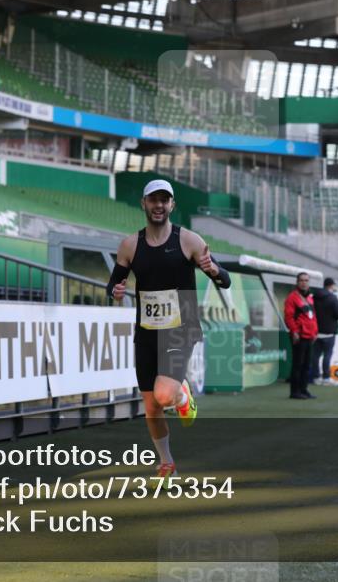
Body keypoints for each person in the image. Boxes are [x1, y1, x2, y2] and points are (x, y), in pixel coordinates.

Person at [107, 179, 231, 485]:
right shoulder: (129, 245)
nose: (159, 205)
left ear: (172, 205)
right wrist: (116, 290)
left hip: (181, 327)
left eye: (165, 200)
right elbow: (114, 282)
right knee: (150, 406)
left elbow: (223, 279)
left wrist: (214, 270)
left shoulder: (189, 240)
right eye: (153, 200)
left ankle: (182, 393)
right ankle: (167, 462)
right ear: (144, 204)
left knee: (163, 395)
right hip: (147, 331)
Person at [284, 272, 318, 399]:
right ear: (297, 282)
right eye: (302, 280)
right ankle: (295, 392)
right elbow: (289, 317)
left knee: (306, 365)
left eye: (306, 280)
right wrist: (295, 332)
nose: (304, 282)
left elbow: (313, 317)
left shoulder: (310, 297)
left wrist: (315, 332)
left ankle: (304, 390)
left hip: (310, 336)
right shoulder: (292, 297)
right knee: (298, 365)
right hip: (299, 336)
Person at [310, 277, 338, 385]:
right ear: (331, 285)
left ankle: (315, 377)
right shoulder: (332, 298)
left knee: (315, 355)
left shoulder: (314, 297)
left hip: (315, 331)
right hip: (329, 331)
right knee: (327, 355)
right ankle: (326, 378)